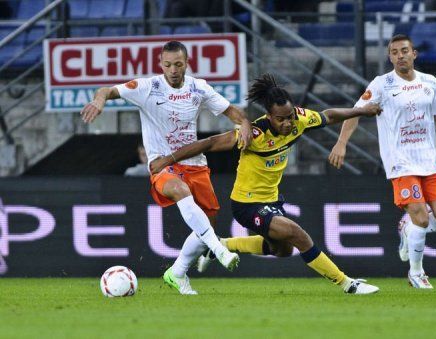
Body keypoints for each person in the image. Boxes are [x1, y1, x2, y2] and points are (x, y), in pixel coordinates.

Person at [151, 73, 382, 294]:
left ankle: (221, 245)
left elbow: (328, 115)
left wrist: (361, 111)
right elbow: (210, 143)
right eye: (280, 119)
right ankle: (347, 283)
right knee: (296, 233)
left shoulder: (300, 119)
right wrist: (168, 160)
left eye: (289, 116)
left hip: (271, 199)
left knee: (281, 249)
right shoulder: (254, 133)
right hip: (246, 204)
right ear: (269, 116)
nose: (287, 123)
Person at [80, 40, 253, 295]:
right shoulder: (147, 87)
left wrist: (246, 123)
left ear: (187, 64)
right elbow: (106, 89)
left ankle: (177, 272)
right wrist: (99, 101)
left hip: (195, 163)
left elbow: (230, 111)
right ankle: (218, 250)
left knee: (209, 222)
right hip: (162, 164)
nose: (173, 69)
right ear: (160, 64)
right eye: (168, 64)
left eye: (178, 64)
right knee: (179, 190)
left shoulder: (198, 87)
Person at [328, 34, 436, 289]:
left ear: (414, 54)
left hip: (430, 161)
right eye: (394, 52)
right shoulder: (382, 84)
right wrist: (342, 142)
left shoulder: (429, 82)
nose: (400, 55)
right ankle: (416, 273)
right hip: (401, 163)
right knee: (421, 218)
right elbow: (355, 113)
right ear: (390, 57)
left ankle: (406, 228)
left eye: (404, 50)